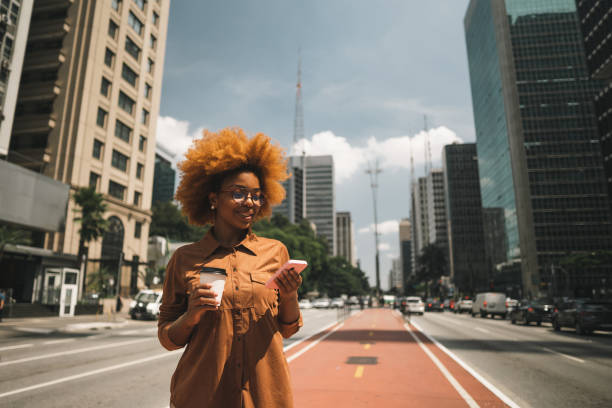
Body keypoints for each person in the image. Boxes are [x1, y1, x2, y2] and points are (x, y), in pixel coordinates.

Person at [158, 128, 303, 408]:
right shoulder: (184, 258)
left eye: (257, 195)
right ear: (213, 198)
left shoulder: (276, 252)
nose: (250, 202)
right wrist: (192, 315)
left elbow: (288, 329)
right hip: (202, 396)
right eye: (238, 193)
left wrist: (290, 295)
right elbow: (168, 338)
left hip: (266, 396)